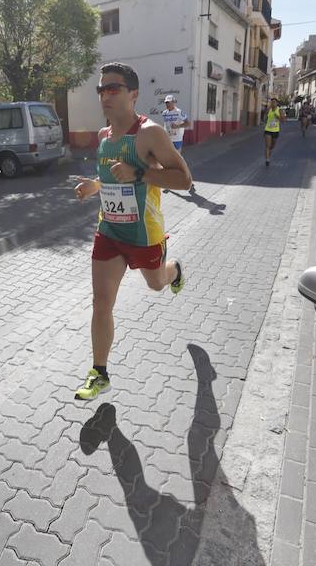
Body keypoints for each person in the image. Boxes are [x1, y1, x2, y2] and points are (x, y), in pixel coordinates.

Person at [72, 62, 194, 401]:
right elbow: (112, 177)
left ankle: (174, 270)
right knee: (101, 302)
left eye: (113, 88)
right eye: (101, 89)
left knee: (156, 284)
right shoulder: (102, 137)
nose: (105, 95)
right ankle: (99, 373)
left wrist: (140, 174)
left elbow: (184, 180)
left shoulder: (150, 133)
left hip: (144, 234)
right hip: (109, 231)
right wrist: (94, 187)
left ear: (133, 94)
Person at [161, 94, 195, 193]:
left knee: (178, 160)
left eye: (169, 102)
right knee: (167, 160)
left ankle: (188, 178)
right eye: (166, 103)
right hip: (168, 139)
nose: (167, 104)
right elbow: (165, 125)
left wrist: (177, 126)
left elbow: (188, 123)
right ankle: (167, 183)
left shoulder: (179, 112)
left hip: (177, 139)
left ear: (173, 102)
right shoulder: (164, 113)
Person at [264, 97, 285, 167]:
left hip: (275, 131)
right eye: (272, 102)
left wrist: (278, 117)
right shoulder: (269, 110)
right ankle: (267, 160)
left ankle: (268, 154)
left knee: (272, 146)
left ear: (277, 103)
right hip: (268, 130)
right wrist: (266, 118)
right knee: (268, 146)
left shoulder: (280, 110)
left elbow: (283, 121)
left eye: (274, 102)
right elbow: (265, 118)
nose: (273, 103)